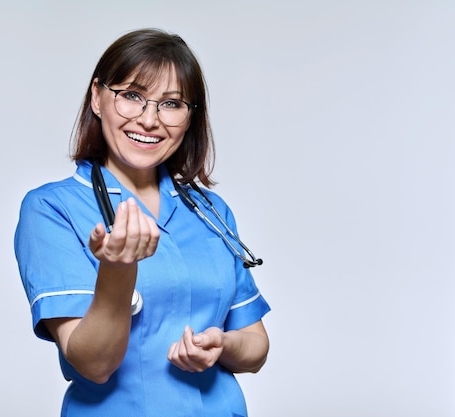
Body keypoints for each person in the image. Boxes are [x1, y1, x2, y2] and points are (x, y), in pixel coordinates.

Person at [14, 28, 271, 417]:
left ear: (189, 117)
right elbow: (93, 365)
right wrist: (117, 269)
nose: (150, 120)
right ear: (97, 97)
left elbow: (255, 345)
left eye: (171, 103)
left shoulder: (209, 210)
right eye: (132, 96)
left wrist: (223, 345)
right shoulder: (52, 208)